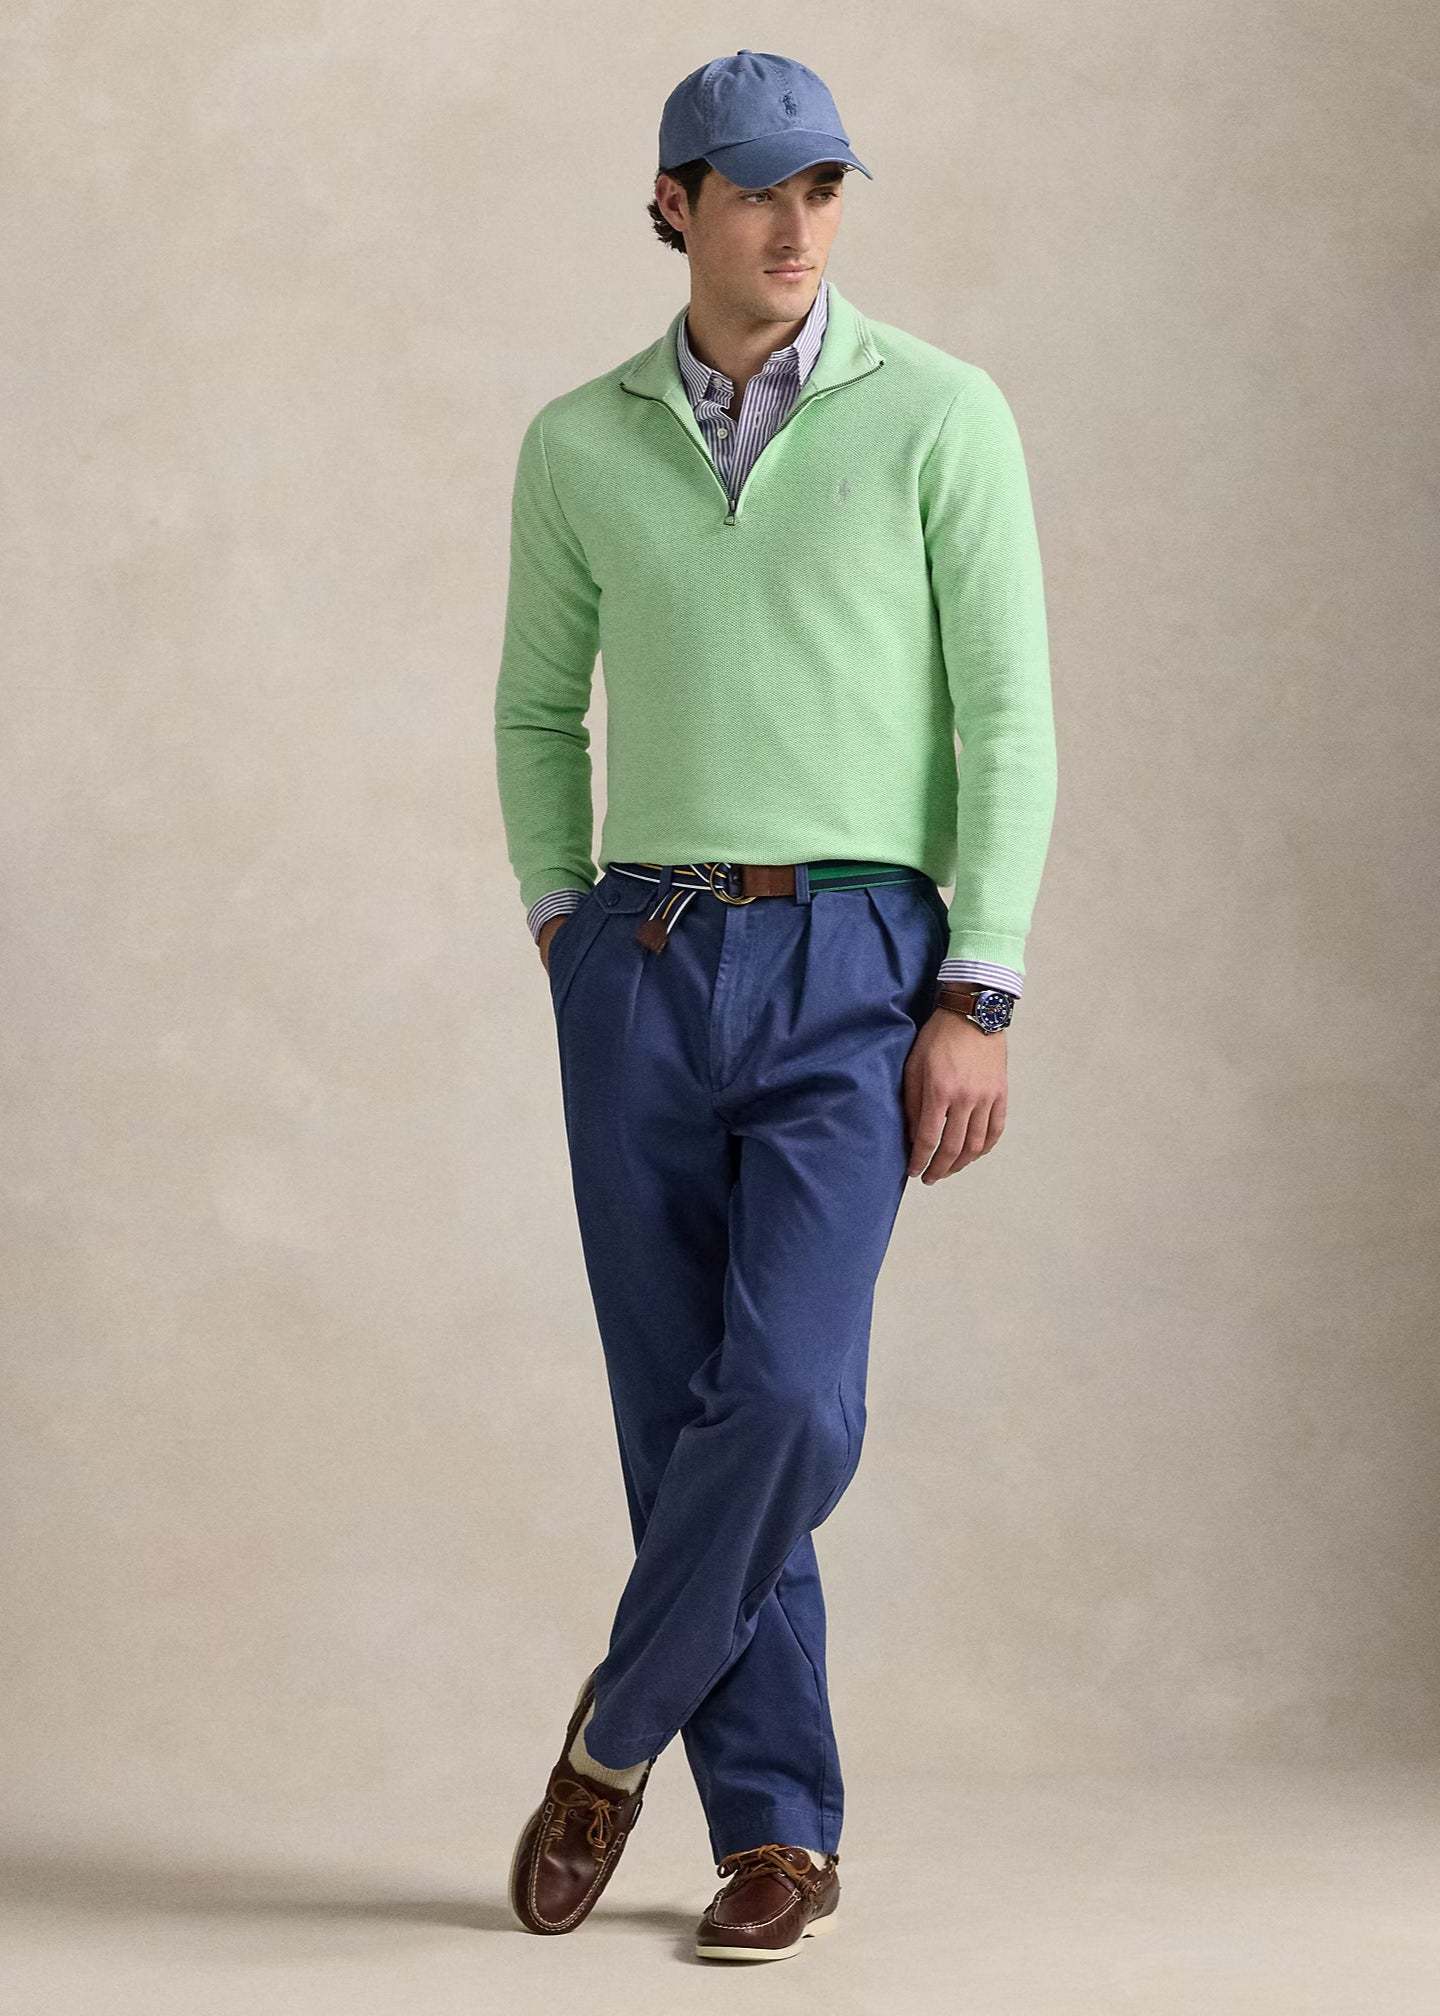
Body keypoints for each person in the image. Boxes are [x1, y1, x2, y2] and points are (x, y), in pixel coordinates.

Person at [494, 48, 1058, 1963]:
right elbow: (533, 707)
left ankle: (614, 1734)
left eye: (822, 188)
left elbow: (1008, 720)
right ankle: (778, 1839)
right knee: (685, 1419)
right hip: (642, 960)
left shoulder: (942, 414)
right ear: (674, 205)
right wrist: (564, 922)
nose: (797, 225)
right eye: (754, 190)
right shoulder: (578, 443)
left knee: (792, 1398)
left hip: (858, 958)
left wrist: (980, 986)